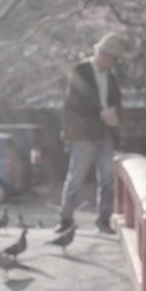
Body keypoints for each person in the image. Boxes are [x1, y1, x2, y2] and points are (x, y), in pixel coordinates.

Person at [56, 32, 127, 234]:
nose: (113, 64)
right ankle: (65, 219)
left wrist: (115, 117)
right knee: (75, 178)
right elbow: (73, 104)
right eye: (113, 59)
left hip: (106, 133)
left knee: (107, 178)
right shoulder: (82, 70)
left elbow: (118, 103)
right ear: (103, 55)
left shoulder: (111, 77)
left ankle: (103, 219)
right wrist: (100, 113)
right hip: (84, 134)